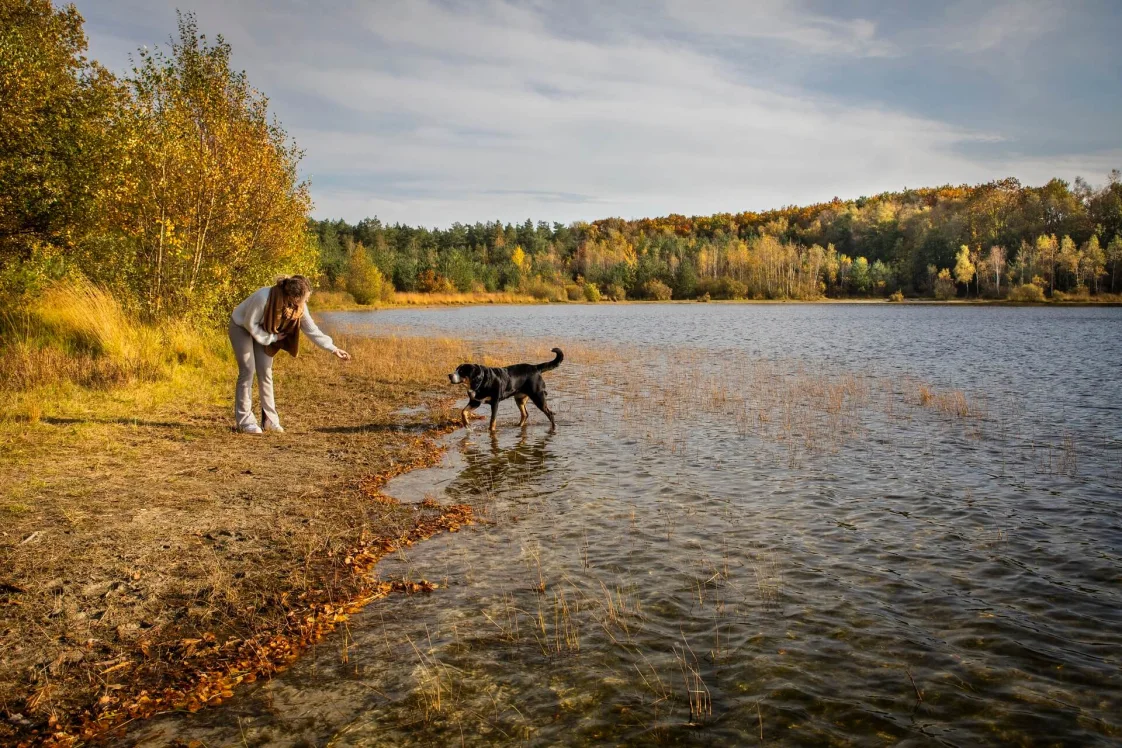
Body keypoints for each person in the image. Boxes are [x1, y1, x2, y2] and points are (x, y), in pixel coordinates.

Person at [228, 275, 351, 433]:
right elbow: (249, 323)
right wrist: (272, 337)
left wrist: (333, 348)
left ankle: (269, 420)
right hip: (241, 326)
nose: (306, 302)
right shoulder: (263, 297)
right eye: (305, 299)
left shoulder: (298, 307)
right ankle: (245, 422)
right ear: (294, 296)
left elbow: (311, 329)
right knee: (248, 370)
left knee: (265, 371)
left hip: (263, 331)